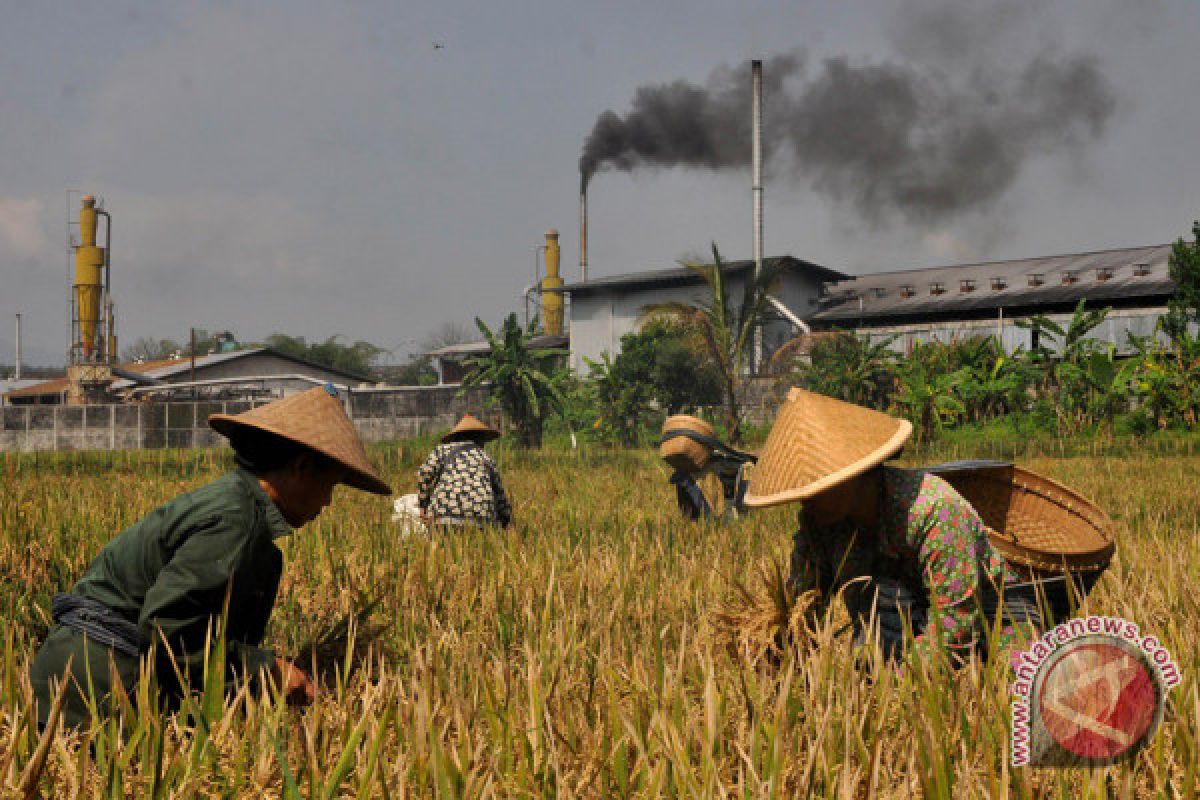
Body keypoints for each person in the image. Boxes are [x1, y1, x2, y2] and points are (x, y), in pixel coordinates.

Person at [29, 385, 392, 729]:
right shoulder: (236, 523)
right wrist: (268, 670)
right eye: (329, 487)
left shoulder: (235, 503)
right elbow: (170, 632)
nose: (327, 502)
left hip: (82, 674)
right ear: (301, 468)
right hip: (96, 688)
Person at [743, 388, 1042, 666]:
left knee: (1014, 674)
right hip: (902, 624)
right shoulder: (819, 523)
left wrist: (894, 683)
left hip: (991, 619)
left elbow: (958, 629)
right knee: (864, 663)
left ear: (856, 474)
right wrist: (773, 647)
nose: (807, 500)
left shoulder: (935, 511)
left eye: (820, 487)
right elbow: (802, 609)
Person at [416, 414, 511, 529]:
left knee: (441, 545)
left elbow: (423, 474)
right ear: (480, 440)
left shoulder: (442, 450)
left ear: (455, 437)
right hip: (481, 518)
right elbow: (500, 496)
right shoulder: (486, 457)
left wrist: (423, 507)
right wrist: (506, 523)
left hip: (443, 515)